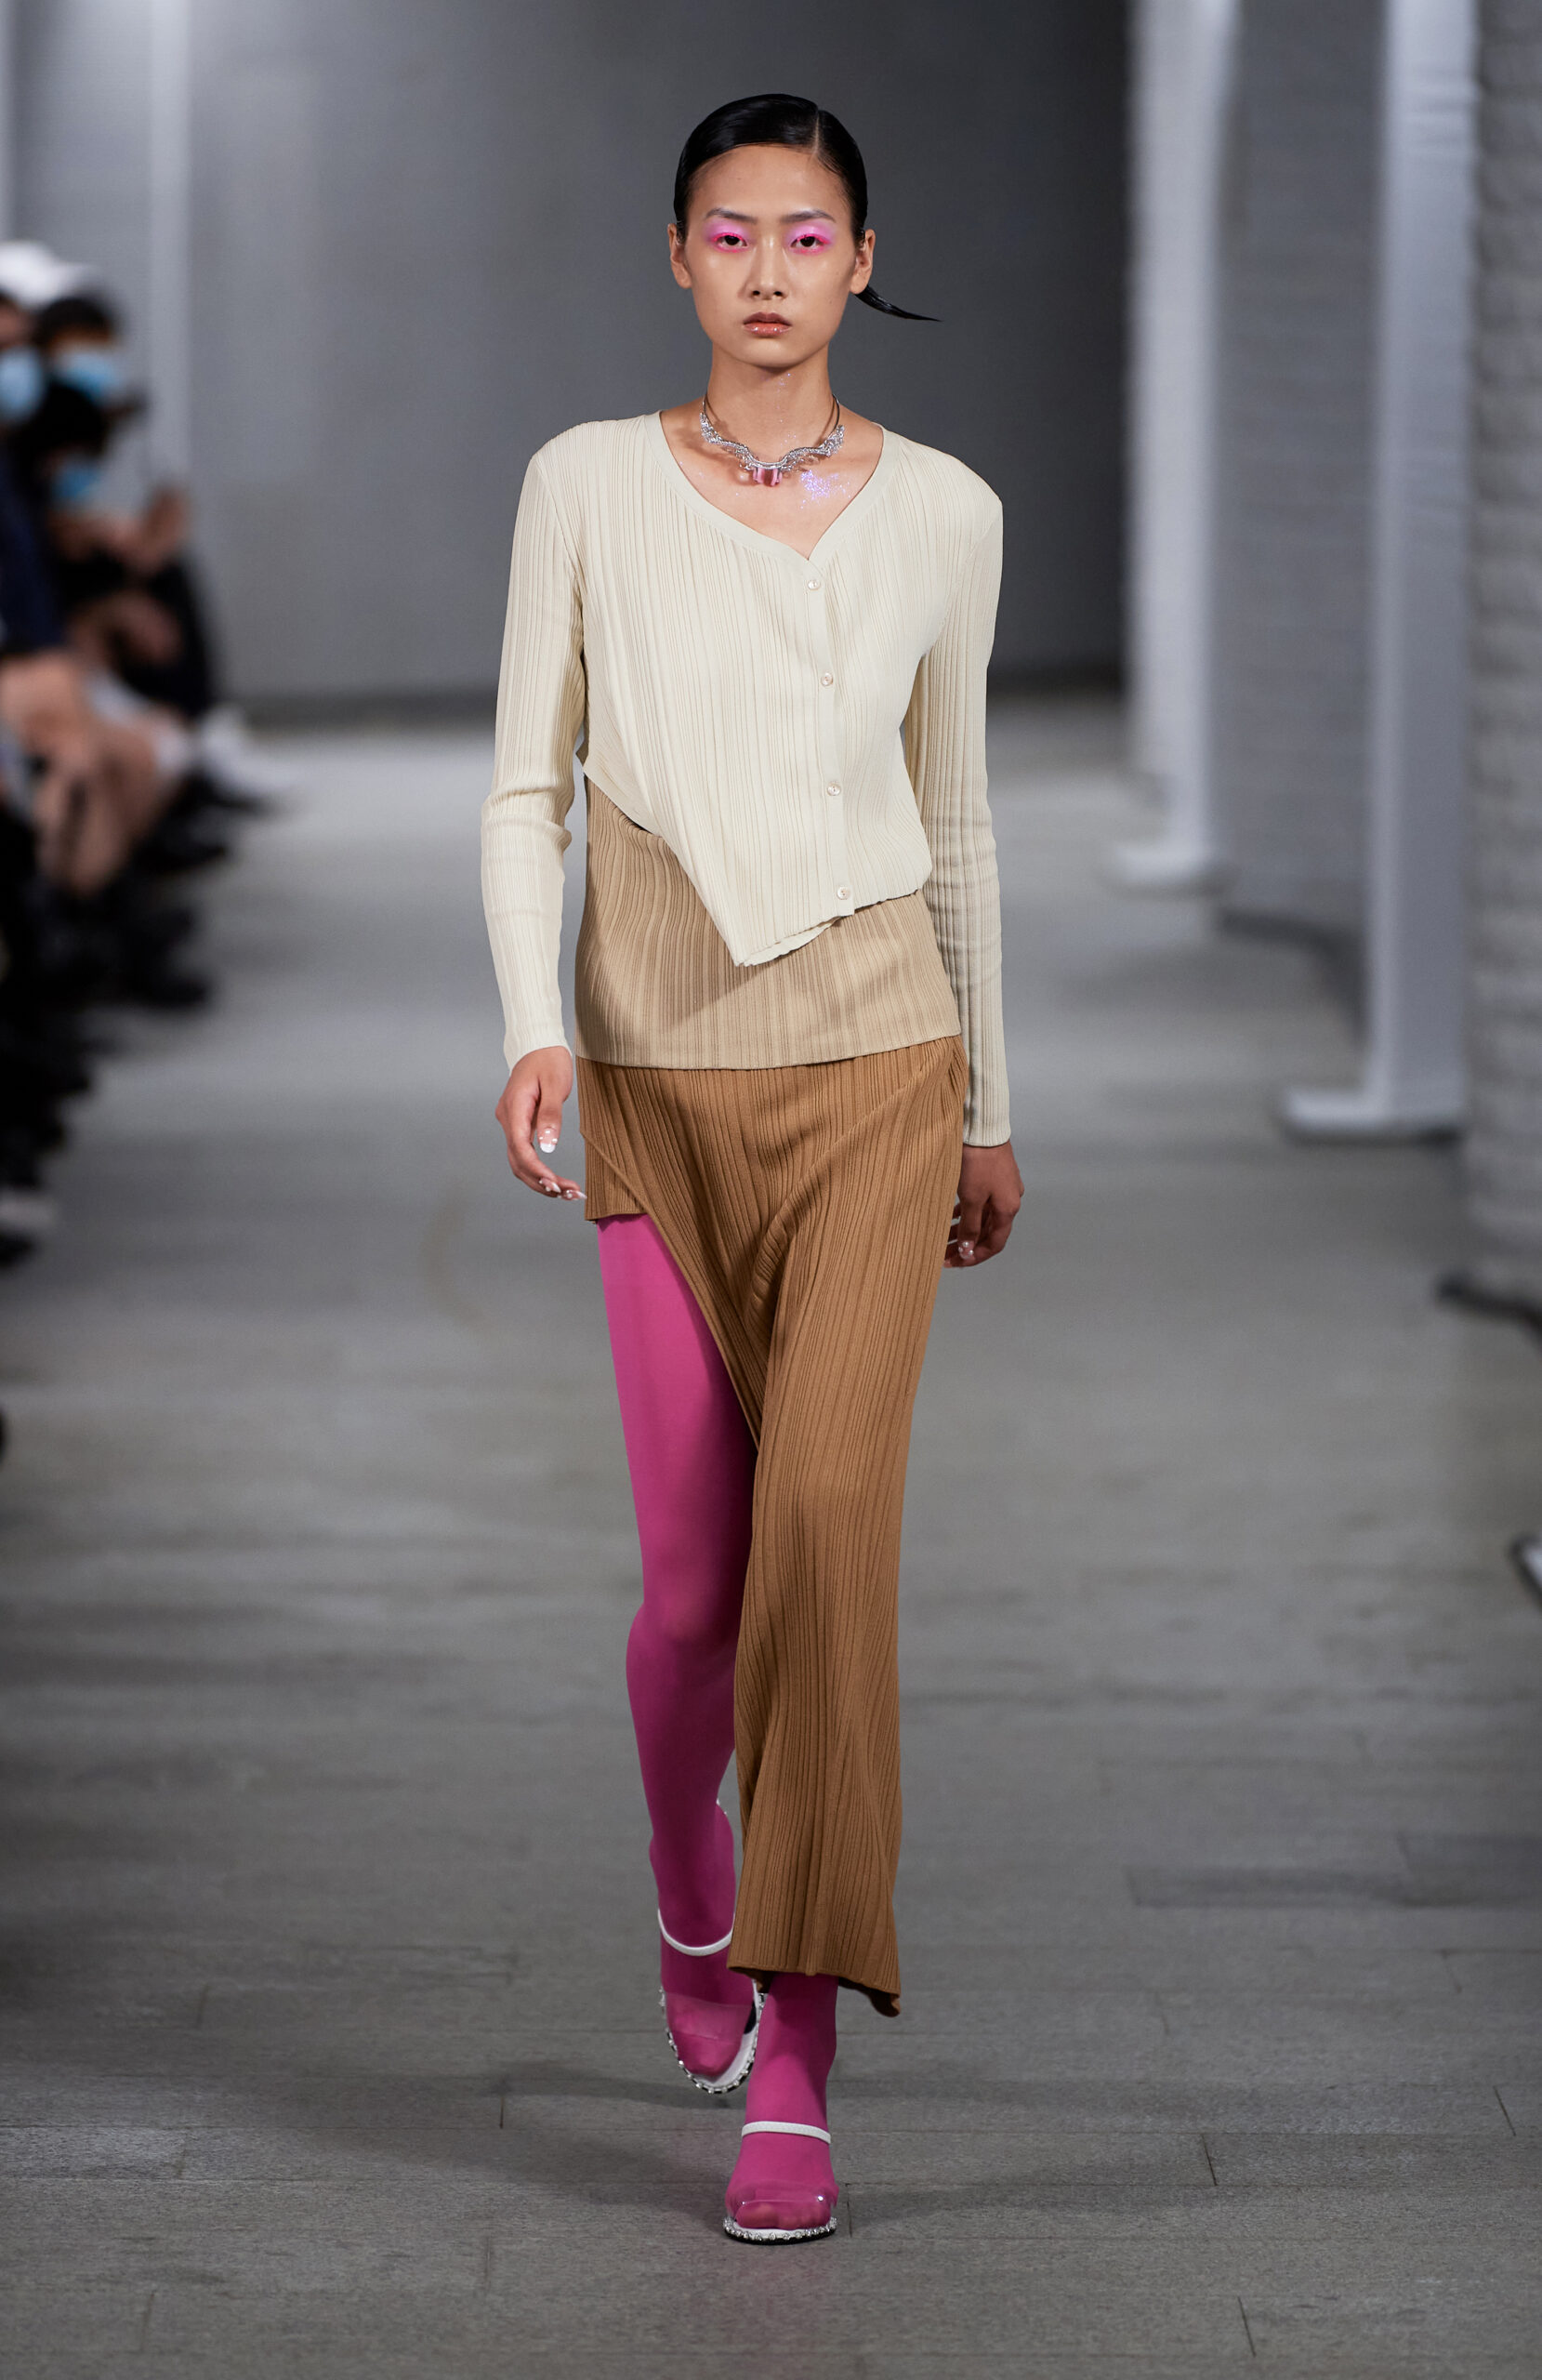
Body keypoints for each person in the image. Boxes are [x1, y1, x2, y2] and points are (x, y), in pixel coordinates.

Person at [481, 92, 1023, 2245]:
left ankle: (793, 2055)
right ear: (677, 257)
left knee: (821, 1547)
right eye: (730, 232)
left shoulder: (947, 512)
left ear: (860, 258)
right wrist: (528, 1019)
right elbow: (523, 782)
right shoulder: (585, 484)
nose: (769, 269)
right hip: (654, 1070)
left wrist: (990, 1101)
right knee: (695, 1595)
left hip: (880, 1064)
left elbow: (955, 815)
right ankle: (683, 1872)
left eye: (807, 234)